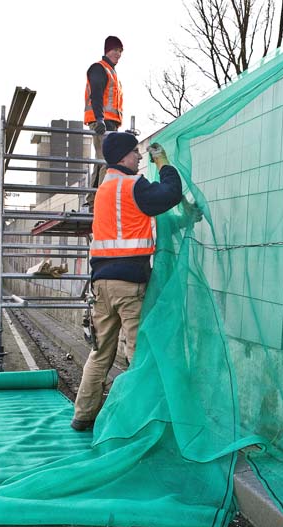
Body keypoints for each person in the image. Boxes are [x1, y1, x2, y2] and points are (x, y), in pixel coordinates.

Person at [71, 133, 182, 431]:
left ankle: (83, 415)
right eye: (136, 153)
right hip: (129, 285)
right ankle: (137, 422)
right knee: (138, 354)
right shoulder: (133, 185)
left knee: (100, 352)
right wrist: (165, 164)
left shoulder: (106, 187)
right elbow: (170, 195)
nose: (139, 157)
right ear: (122, 156)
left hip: (101, 285)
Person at [83, 35, 124, 209]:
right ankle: (98, 202)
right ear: (107, 50)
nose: (118, 54)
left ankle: (93, 201)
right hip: (102, 122)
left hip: (110, 122)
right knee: (106, 161)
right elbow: (97, 94)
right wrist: (99, 118)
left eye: (120, 51)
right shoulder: (99, 68)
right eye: (115, 50)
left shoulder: (111, 72)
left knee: (102, 161)